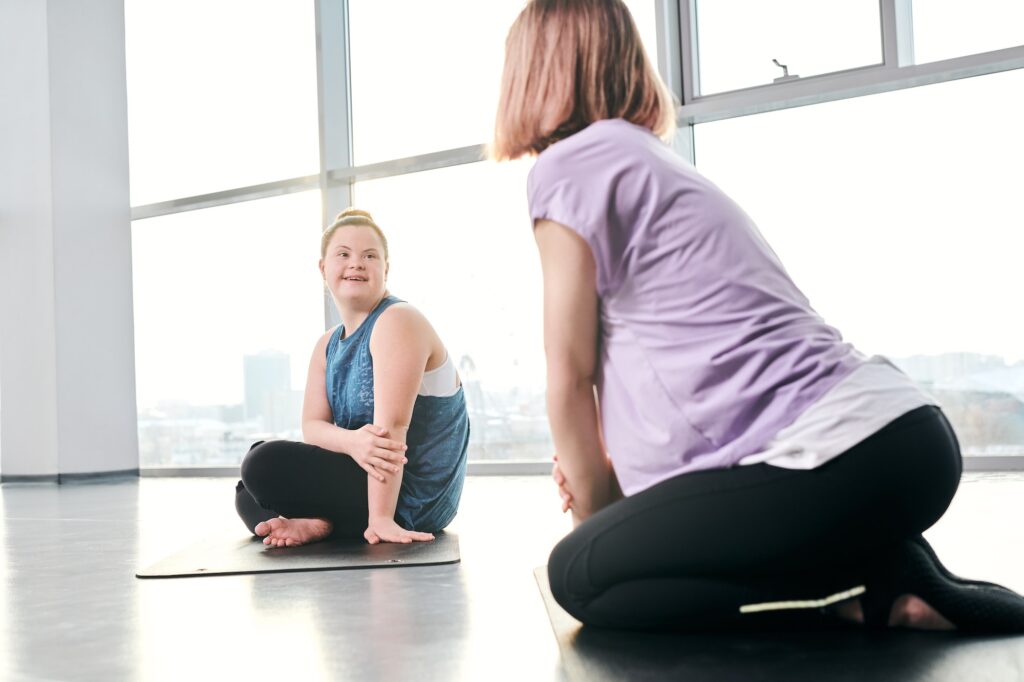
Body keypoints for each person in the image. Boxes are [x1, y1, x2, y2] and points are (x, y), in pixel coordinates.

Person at [491, 0, 1024, 631]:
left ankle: (859, 598)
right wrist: (610, 488)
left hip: (834, 456)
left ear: (537, 69)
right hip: (900, 443)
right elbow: (650, 375)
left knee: (580, 578)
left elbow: (571, 374)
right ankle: (887, 573)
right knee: (608, 570)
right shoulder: (644, 159)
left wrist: (599, 528)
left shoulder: (570, 165)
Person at [234, 208, 469, 546]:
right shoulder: (327, 344)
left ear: (385, 269)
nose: (356, 263)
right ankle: (319, 522)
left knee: (262, 465)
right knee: (248, 482)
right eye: (343, 254)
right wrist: (353, 442)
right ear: (323, 268)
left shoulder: (398, 320)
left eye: (370, 256)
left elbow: (390, 435)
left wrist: (382, 520)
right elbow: (313, 426)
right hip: (361, 478)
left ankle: (324, 519)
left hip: (410, 498)